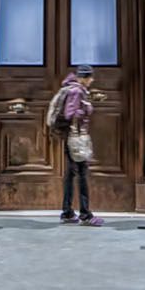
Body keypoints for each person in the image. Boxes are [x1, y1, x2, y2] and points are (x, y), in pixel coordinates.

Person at [46, 65, 102, 225]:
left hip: (72, 137)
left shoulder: (74, 89)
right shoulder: (77, 91)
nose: (92, 80)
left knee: (71, 174)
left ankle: (68, 212)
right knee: (82, 175)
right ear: (83, 77)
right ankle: (85, 214)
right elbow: (70, 113)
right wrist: (84, 109)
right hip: (76, 139)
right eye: (90, 77)